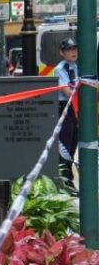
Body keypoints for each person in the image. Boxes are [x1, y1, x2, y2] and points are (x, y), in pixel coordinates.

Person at [54, 38, 79, 192]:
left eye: (74, 49)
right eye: (69, 50)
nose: (73, 52)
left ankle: (69, 181)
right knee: (65, 146)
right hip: (65, 109)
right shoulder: (60, 69)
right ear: (62, 52)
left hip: (75, 109)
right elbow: (68, 92)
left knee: (73, 145)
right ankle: (65, 182)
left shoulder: (76, 67)